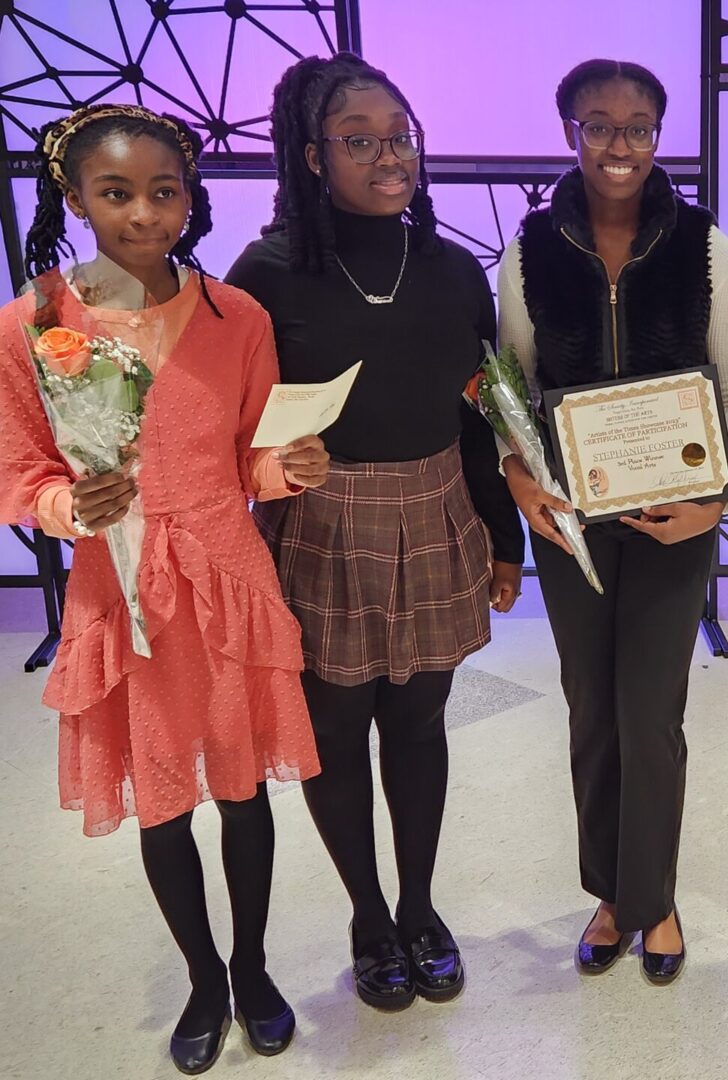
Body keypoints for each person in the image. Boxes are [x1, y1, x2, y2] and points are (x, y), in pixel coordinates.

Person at [0, 103, 330, 1073]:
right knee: (162, 800)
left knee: (242, 790)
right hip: (124, 590)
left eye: (165, 190)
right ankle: (203, 979)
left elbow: (249, 461)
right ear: (74, 198)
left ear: (191, 194)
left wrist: (291, 469)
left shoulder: (239, 318)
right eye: (116, 193)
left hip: (226, 576)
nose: (145, 213)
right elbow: (19, 471)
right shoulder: (37, 325)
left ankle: (256, 966)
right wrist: (68, 506)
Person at [226, 53, 524, 1011]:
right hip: (322, 522)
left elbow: (481, 411)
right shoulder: (266, 274)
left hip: (437, 508)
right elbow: (236, 427)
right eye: (360, 140)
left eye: (400, 135)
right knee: (336, 732)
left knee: (420, 723)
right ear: (313, 156)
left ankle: (421, 905)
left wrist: (504, 534)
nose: (389, 155)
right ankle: (367, 915)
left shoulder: (446, 267)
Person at [496, 58, 728, 984]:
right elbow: (513, 393)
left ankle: (656, 896)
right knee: (591, 711)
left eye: (639, 125)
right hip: (568, 518)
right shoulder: (526, 252)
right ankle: (611, 892)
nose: (620, 144)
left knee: (653, 715)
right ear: (570, 130)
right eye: (599, 125)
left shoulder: (707, 247)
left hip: (675, 515)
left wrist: (715, 502)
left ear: (660, 134)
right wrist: (519, 480)